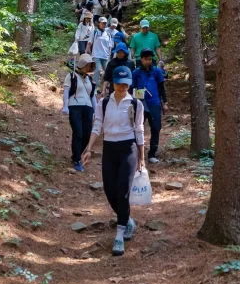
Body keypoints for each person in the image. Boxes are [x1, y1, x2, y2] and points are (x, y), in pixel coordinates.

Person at [82, 65, 145, 256]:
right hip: (109, 148)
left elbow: (140, 130)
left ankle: (119, 235)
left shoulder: (136, 104)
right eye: (119, 84)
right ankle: (127, 220)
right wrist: (89, 148)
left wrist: (142, 157)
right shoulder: (103, 103)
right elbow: (97, 125)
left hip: (128, 149)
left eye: (126, 85)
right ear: (113, 83)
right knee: (110, 190)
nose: (123, 88)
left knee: (123, 190)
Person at [61, 54, 96, 172]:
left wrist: (96, 111)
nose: (88, 66)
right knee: (78, 132)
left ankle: (77, 153)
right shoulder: (71, 76)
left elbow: (93, 97)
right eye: (87, 64)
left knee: (87, 134)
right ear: (82, 64)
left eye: (90, 64)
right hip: (74, 106)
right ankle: (77, 159)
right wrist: (65, 106)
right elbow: (66, 91)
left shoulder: (90, 79)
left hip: (88, 108)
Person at [131, 49, 167, 164]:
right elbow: (132, 89)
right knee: (137, 128)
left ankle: (152, 153)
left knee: (156, 128)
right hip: (140, 104)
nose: (148, 61)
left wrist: (165, 102)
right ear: (141, 59)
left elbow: (161, 87)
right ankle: (135, 153)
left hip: (154, 103)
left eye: (150, 59)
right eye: (146, 59)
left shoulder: (156, 71)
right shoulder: (136, 73)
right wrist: (136, 97)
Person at [87, 16, 113, 89]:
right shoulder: (94, 32)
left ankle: (105, 85)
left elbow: (110, 46)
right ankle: (94, 86)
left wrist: (109, 55)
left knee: (107, 71)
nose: (104, 25)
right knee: (97, 69)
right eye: (102, 23)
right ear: (99, 23)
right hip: (96, 54)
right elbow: (89, 42)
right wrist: (86, 52)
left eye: (105, 23)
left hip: (105, 55)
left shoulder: (108, 34)